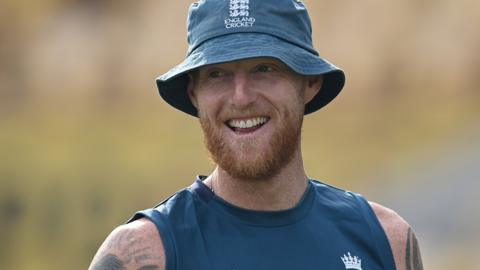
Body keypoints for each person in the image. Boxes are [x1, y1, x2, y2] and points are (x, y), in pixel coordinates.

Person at [89, 0, 423, 269]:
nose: (241, 97)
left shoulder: (384, 240)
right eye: (218, 73)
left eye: (265, 68)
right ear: (194, 94)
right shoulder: (147, 254)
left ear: (309, 82)